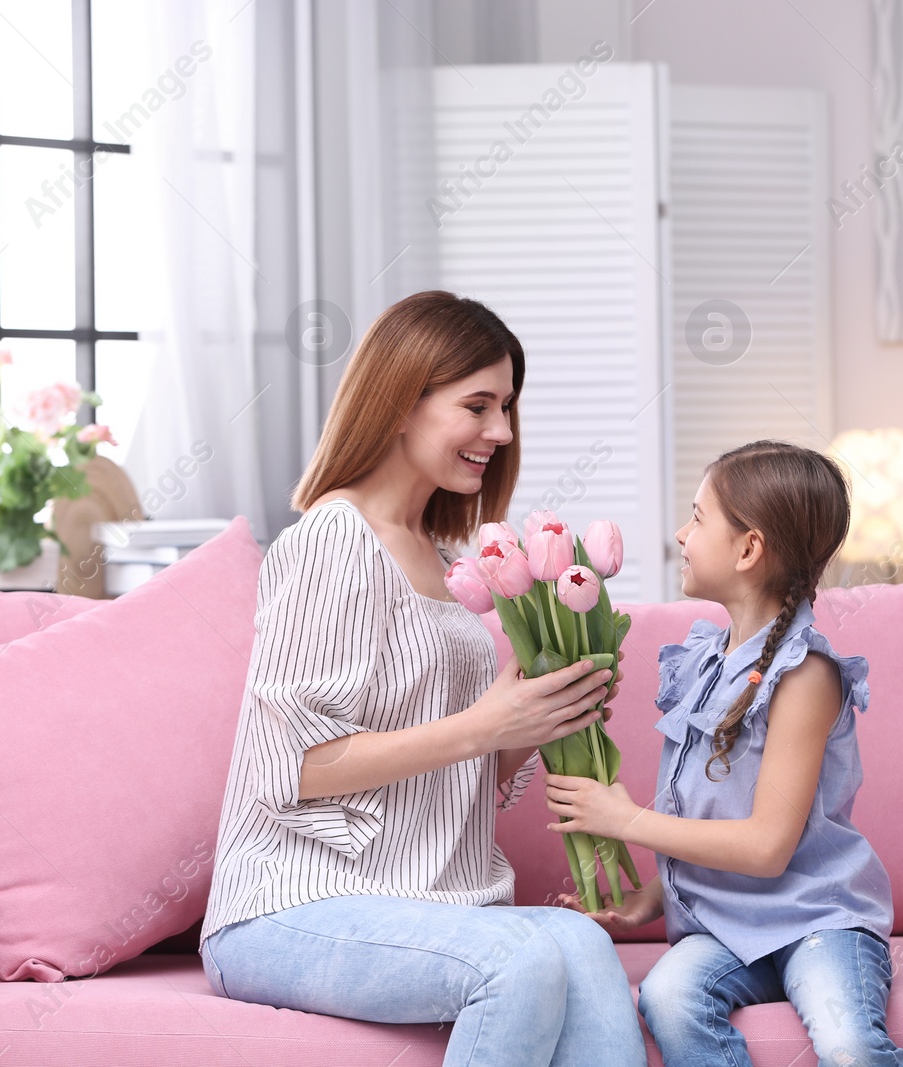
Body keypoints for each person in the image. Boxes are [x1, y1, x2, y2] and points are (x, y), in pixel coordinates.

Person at [199, 290, 647, 1067]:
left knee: (576, 939)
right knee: (519, 957)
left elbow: (458, 768)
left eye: (507, 407)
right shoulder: (333, 540)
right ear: (402, 401)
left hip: (426, 902)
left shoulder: (445, 561)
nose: (500, 431)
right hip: (288, 906)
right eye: (477, 405)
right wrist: (486, 725)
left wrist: (539, 718)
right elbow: (295, 766)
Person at [542, 440, 903, 1067]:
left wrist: (624, 820)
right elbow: (709, 816)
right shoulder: (705, 664)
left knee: (848, 1040)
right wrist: (650, 901)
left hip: (817, 920)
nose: (682, 533)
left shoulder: (805, 675)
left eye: (698, 516)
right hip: (721, 930)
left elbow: (766, 849)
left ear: (749, 548)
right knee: (667, 996)